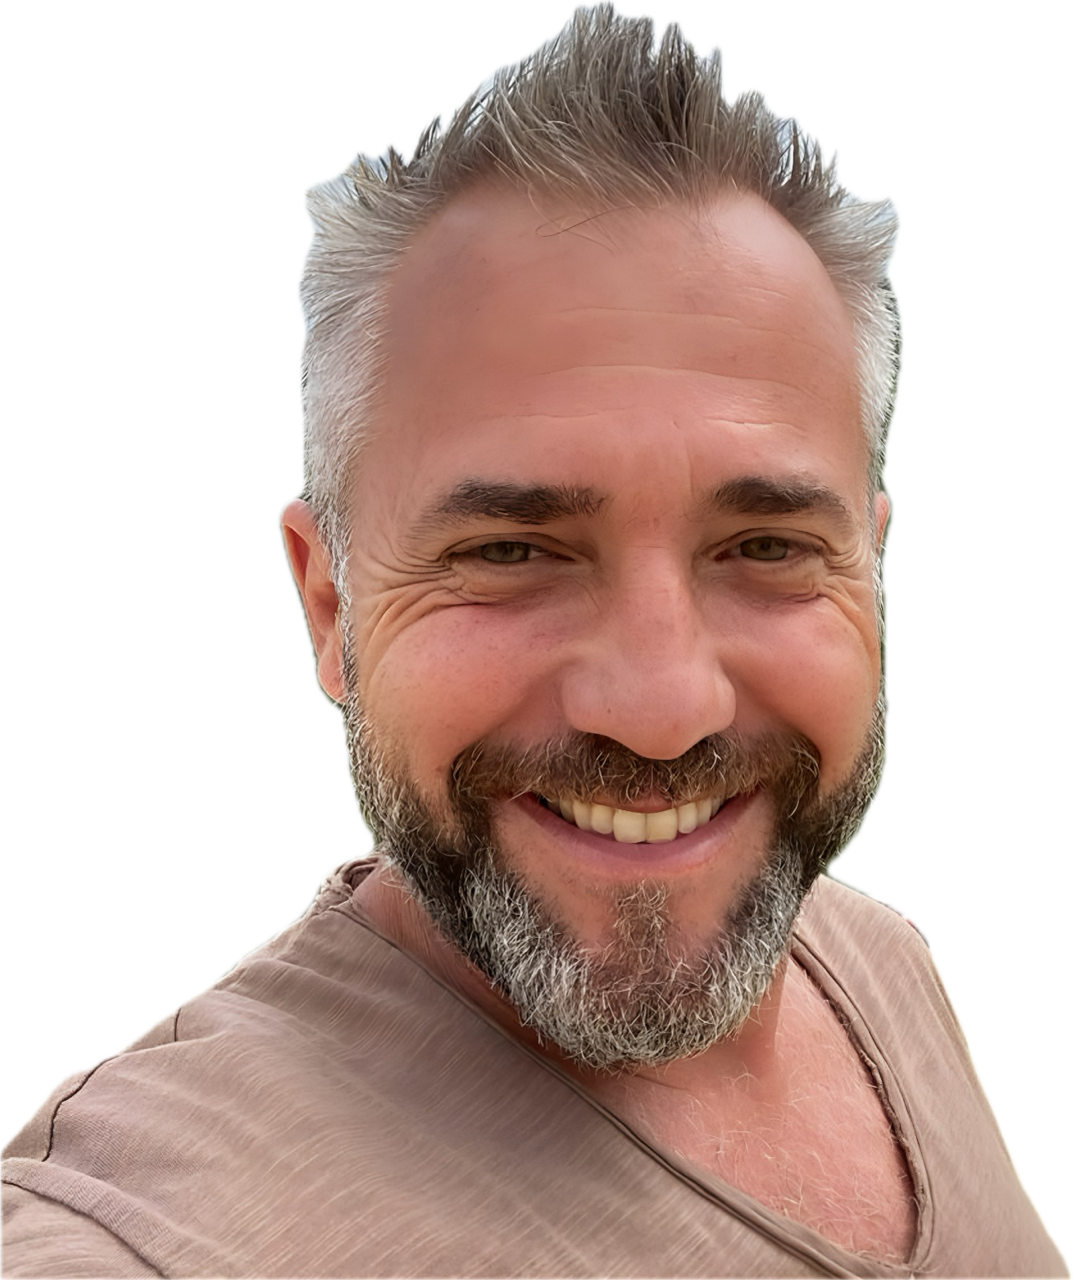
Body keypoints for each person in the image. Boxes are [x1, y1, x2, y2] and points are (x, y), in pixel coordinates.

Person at [3, 3, 1067, 1276]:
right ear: (328, 605)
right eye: (511, 552)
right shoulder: (135, 1233)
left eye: (765, 545)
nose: (662, 707)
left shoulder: (873, 952)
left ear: (872, 565)